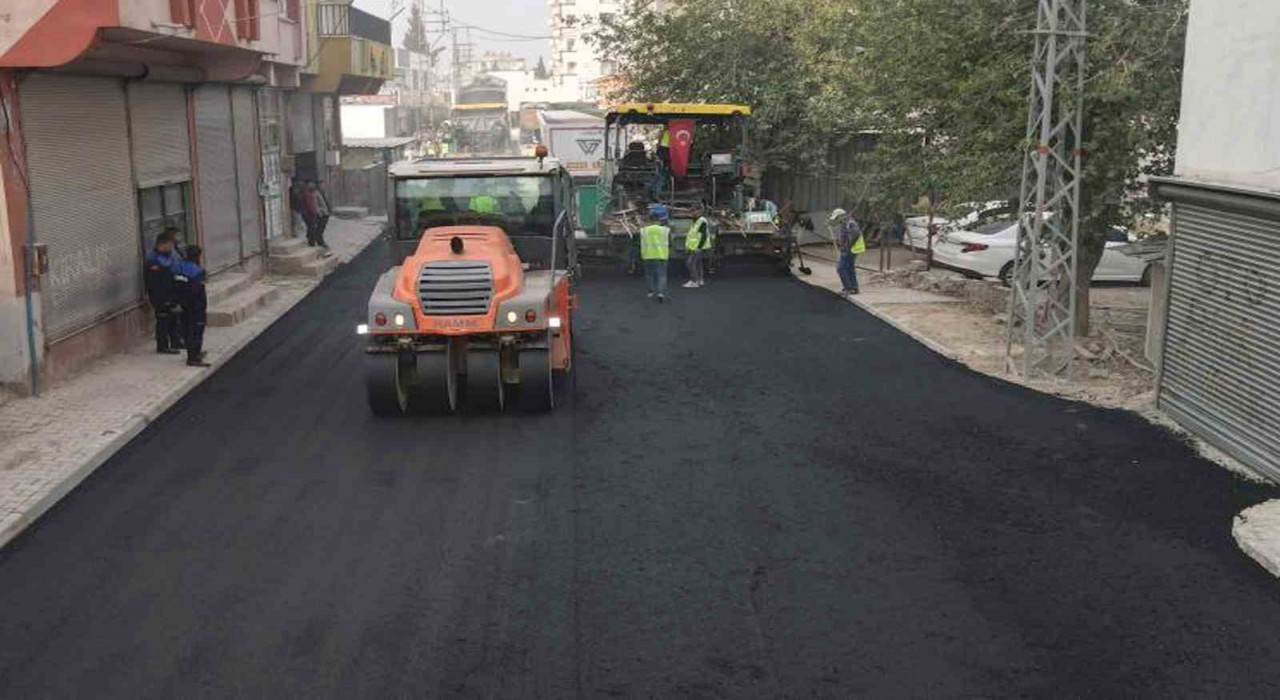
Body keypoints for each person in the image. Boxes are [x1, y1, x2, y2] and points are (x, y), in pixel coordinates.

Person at [144, 229, 185, 355]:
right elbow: (156, 282)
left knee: (174, 318)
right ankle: (163, 346)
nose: (172, 247)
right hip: (160, 295)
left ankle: (176, 341)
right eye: (170, 245)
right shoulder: (154, 260)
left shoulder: (169, 257)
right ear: (162, 244)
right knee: (163, 320)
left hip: (172, 293)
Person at [172, 245, 210, 368]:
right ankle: (194, 357)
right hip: (196, 306)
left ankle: (193, 353)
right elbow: (197, 290)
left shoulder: (178, 267)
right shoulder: (197, 271)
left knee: (186, 328)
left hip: (182, 304)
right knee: (196, 331)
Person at [830, 208, 865, 296]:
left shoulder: (851, 223)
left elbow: (855, 234)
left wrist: (846, 247)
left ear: (842, 216)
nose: (837, 220)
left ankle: (848, 288)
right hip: (849, 249)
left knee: (841, 268)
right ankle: (854, 288)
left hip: (851, 249)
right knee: (849, 268)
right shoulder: (845, 223)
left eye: (837, 218)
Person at [640, 208, 671, 302]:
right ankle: (660, 293)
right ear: (659, 220)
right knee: (662, 275)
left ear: (649, 220)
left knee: (649, 275)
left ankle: (650, 291)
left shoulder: (644, 230)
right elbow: (670, 242)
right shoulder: (665, 230)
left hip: (648, 256)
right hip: (662, 255)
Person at [683, 204, 714, 288]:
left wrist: (699, 247)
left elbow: (703, 236)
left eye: (694, 211)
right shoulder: (696, 221)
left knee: (690, 263)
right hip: (694, 246)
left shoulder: (702, 221)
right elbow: (693, 235)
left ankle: (694, 281)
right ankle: (700, 280)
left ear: (699, 211)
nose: (692, 213)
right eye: (691, 211)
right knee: (698, 263)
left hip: (698, 247)